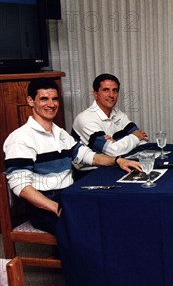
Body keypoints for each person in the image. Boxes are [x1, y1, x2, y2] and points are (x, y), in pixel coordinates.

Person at [3, 78, 142, 235]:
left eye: (55, 99)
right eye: (44, 99)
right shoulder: (20, 138)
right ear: (30, 100)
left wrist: (118, 160)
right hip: (44, 206)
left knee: (115, 212)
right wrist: (56, 207)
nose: (51, 104)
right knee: (92, 229)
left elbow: (88, 156)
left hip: (69, 195)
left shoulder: (61, 134)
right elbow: (20, 186)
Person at [72, 73, 148, 156]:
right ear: (95, 94)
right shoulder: (85, 119)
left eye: (115, 90)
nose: (111, 95)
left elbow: (143, 139)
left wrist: (116, 144)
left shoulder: (119, 114)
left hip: (117, 162)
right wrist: (133, 138)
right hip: (92, 168)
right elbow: (114, 151)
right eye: (106, 90)